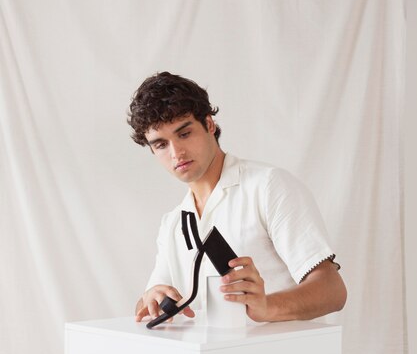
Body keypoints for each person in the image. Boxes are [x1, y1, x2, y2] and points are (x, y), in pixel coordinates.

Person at [128, 71, 347, 324]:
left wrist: (267, 307)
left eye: (184, 133)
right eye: (161, 144)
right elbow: (146, 303)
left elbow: (333, 291)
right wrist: (149, 298)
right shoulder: (173, 223)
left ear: (209, 125)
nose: (176, 153)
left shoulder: (268, 187)